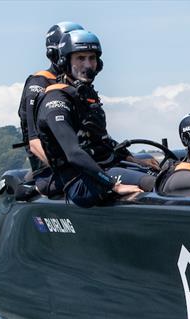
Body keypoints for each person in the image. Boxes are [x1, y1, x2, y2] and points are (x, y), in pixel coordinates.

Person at [24, 30, 147, 206]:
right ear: (65, 61)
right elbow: (74, 153)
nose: (88, 65)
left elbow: (100, 140)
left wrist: (133, 159)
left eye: (92, 58)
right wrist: (112, 185)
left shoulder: (84, 95)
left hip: (100, 168)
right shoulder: (56, 100)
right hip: (79, 184)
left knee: (157, 172)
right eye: (80, 58)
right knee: (150, 183)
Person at [18, 21, 83, 173]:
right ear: (55, 53)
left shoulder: (74, 84)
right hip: (53, 169)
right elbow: (34, 142)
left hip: (80, 157)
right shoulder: (39, 83)